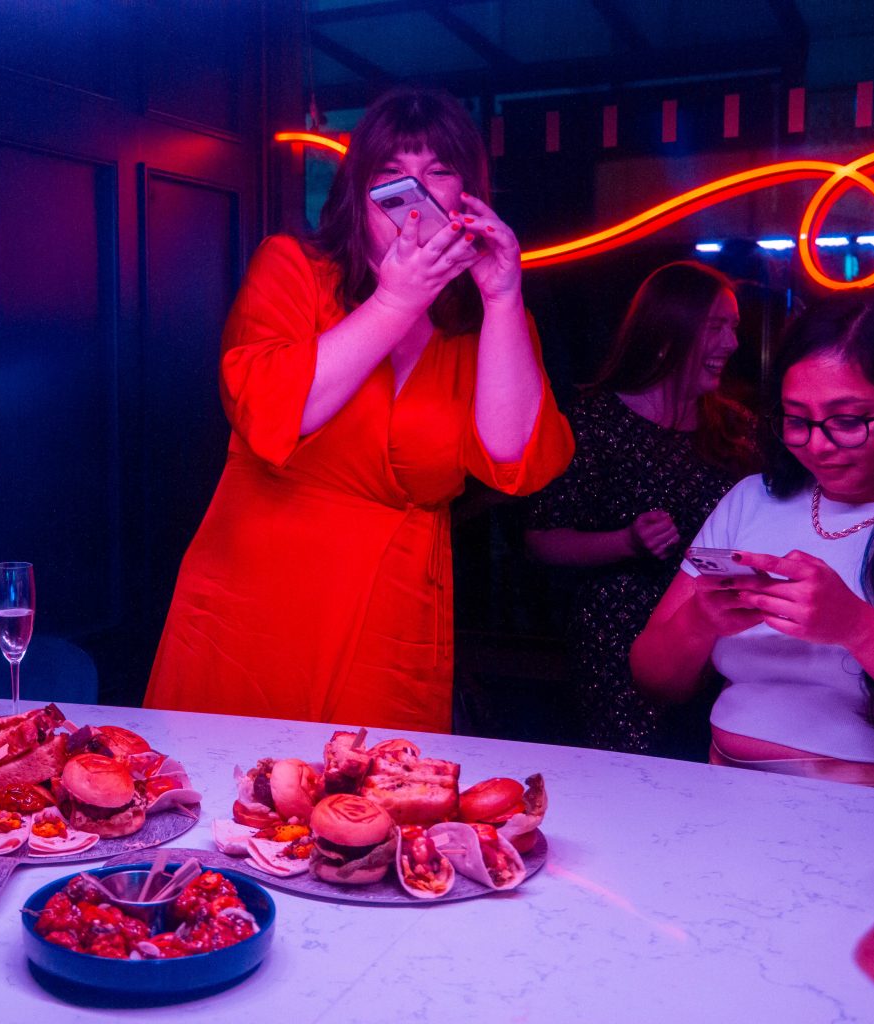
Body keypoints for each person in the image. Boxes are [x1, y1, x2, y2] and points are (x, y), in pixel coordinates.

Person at [142, 87, 575, 732]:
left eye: (438, 172)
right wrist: (396, 302)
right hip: (259, 594)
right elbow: (269, 408)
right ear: (357, 190)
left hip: (394, 612)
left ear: (467, 193)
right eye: (391, 176)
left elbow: (514, 456)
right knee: (235, 799)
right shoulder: (291, 267)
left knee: (371, 811)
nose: (416, 192)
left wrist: (505, 296)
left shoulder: (480, 320)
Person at [630, 289, 874, 788]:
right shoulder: (751, 500)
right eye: (797, 420)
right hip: (724, 788)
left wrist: (857, 626)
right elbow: (653, 680)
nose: (817, 444)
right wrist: (701, 619)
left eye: (848, 421)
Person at [525, 262, 757, 756]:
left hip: (719, 634)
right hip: (620, 638)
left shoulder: (737, 429)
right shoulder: (595, 423)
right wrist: (626, 541)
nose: (732, 344)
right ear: (668, 331)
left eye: (733, 328)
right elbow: (542, 539)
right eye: (716, 327)